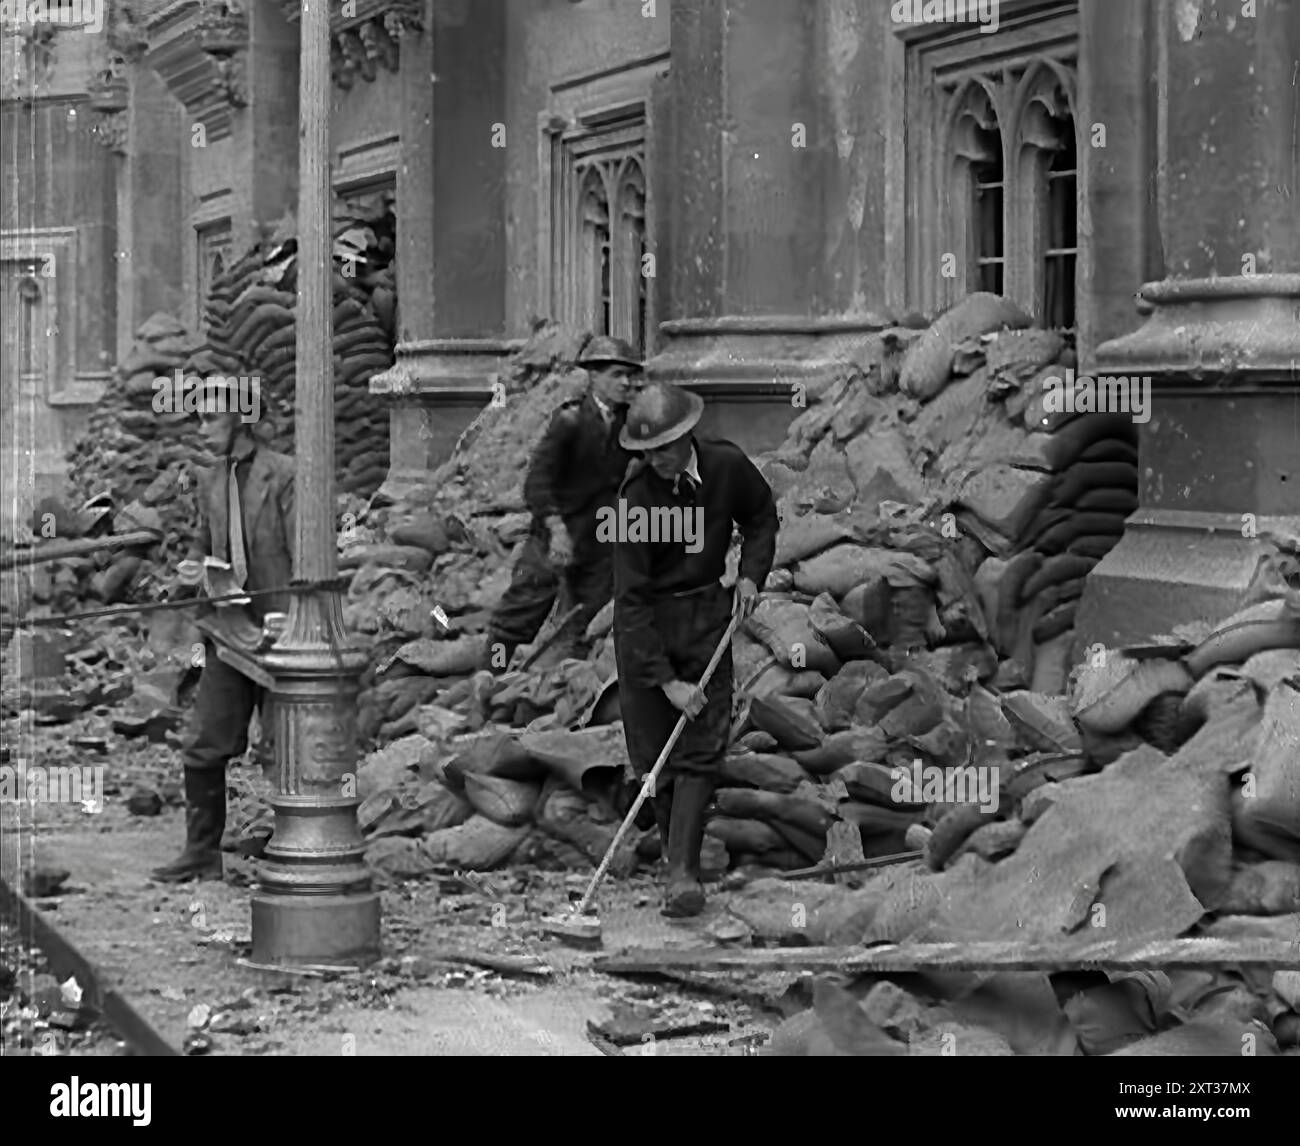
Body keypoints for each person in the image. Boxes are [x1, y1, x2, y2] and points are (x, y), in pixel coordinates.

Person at [613, 381, 778, 917]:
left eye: (664, 447)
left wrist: (752, 574)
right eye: (647, 451)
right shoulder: (635, 499)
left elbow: (760, 516)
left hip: (708, 614)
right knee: (656, 750)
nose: (657, 459)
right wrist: (667, 682)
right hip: (648, 627)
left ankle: (681, 871)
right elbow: (630, 600)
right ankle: (672, 855)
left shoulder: (727, 466)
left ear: (687, 436)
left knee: (702, 745)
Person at [151, 380, 295, 882]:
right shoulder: (213, 479)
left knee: (286, 749)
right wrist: (192, 568)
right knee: (205, 741)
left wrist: (295, 617)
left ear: (242, 421)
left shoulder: (284, 476)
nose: (202, 427)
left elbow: (309, 554)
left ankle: (297, 853)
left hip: (282, 633)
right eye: (198, 418)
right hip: (229, 633)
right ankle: (201, 852)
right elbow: (203, 539)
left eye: (211, 418)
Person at [484, 335, 643, 668]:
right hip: (556, 536)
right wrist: (556, 529)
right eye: (617, 374)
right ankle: (491, 676)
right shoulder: (569, 422)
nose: (626, 382)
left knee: (588, 618)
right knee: (519, 614)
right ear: (594, 377)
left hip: (599, 542)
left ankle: (561, 688)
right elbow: (537, 484)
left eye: (630, 375)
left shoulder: (630, 424)